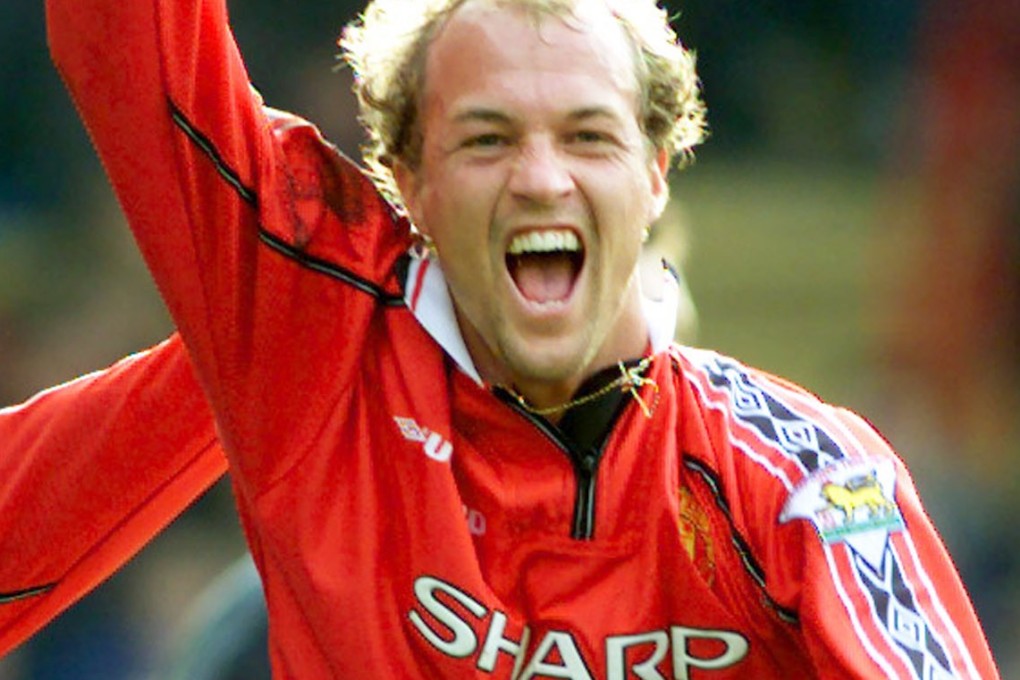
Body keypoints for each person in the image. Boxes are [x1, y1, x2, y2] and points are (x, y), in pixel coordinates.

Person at [2, 0, 1000, 676]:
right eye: (486, 137)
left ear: (656, 170)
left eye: (588, 135)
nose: (540, 177)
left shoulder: (808, 482)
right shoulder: (320, 341)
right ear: (409, 176)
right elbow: (122, 38)